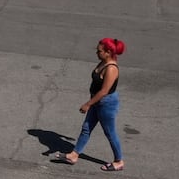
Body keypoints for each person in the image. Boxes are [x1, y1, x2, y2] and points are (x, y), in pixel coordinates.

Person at [53, 37, 126, 171]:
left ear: (108, 52)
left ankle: (119, 161)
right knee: (86, 128)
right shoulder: (103, 62)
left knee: (110, 132)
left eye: (99, 51)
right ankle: (74, 155)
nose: (96, 53)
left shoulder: (111, 68)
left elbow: (104, 91)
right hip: (97, 100)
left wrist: (88, 104)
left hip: (106, 103)